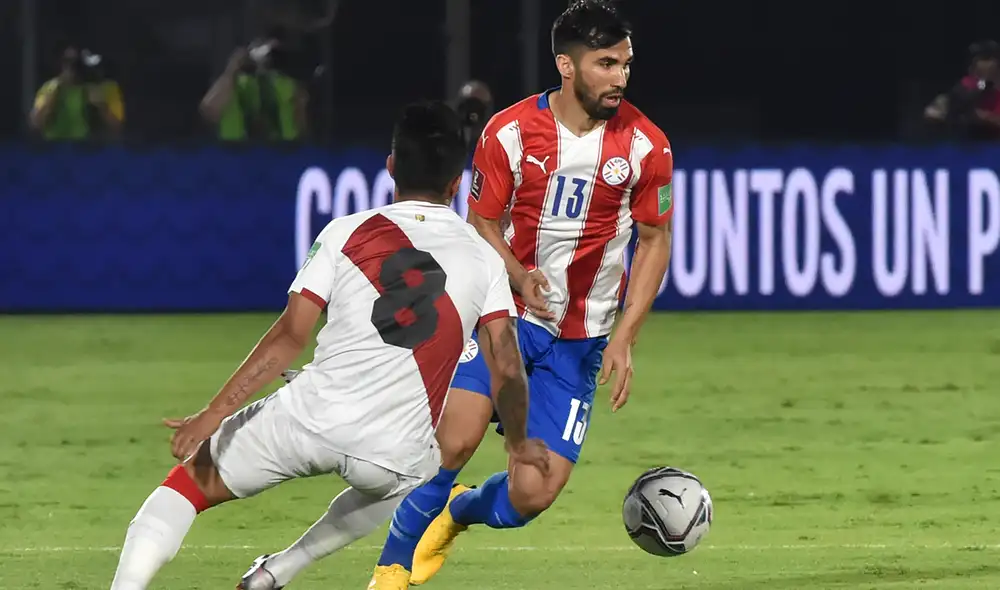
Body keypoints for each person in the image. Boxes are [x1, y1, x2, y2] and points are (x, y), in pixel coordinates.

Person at [107, 100, 548, 590]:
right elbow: (506, 367)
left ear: (392, 168)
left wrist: (214, 412)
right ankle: (280, 570)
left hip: (309, 420)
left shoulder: (347, 232)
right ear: (454, 184)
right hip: (389, 454)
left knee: (183, 489)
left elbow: (289, 336)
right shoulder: (484, 259)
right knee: (418, 472)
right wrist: (519, 441)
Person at [371, 0, 675, 587]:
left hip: (581, 342)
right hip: (504, 318)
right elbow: (481, 221)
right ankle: (391, 568)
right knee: (455, 437)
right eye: (606, 64)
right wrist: (516, 273)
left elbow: (655, 238)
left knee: (530, 495)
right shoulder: (509, 133)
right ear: (566, 64)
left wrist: (626, 337)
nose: (620, 78)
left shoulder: (646, 145)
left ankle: (458, 511)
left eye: (626, 65)